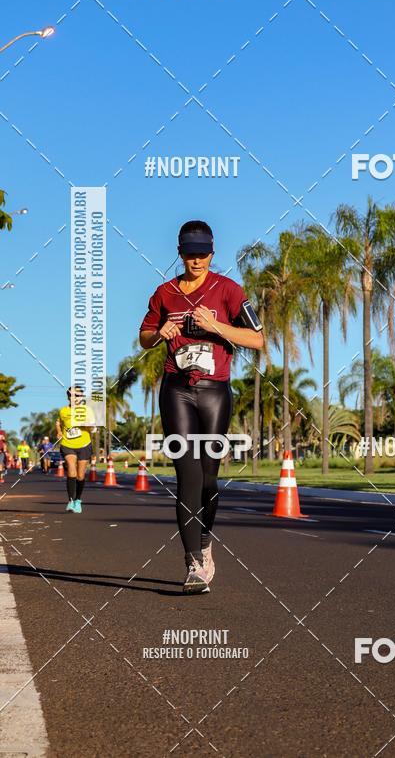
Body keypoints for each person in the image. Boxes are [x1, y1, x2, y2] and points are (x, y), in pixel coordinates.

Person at [139, 220, 264, 594]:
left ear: (213, 252)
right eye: (190, 254)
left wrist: (216, 326)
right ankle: (193, 563)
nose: (197, 260)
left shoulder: (228, 290)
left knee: (209, 478)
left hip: (214, 392)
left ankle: (206, 543)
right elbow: (144, 336)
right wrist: (158, 333)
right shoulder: (164, 294)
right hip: (176, 388)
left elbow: (257, 339)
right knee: (187, 474)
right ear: (180, 253)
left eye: (203, 253)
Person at [55, 387, 94, 513]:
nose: (76, 397)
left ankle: (78, 500)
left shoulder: (87, 410)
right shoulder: (63, 411)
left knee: (80, 475)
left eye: (79, 395)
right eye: (74, 395)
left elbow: (92, 428)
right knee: (71, 470)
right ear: (68, 397)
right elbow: (58, 422)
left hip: (84, 444)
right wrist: (59, 432)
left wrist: (85, 422)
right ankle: (71, 500)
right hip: (68, 444)